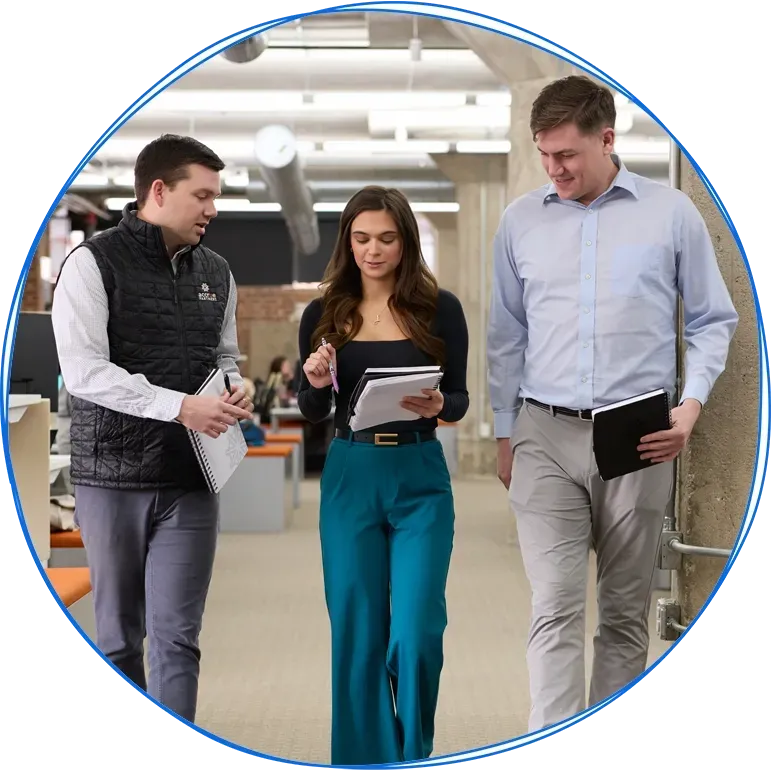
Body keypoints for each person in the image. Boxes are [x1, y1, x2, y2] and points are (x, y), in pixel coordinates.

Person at [487, 75, 739, 731]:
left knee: (624, 609)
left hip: (639, 435)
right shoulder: (519, 220)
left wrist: (689, 408)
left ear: (607, 137)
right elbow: (505, 334)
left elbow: (713, 319)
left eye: (566, 154)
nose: (553, 169)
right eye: (543, 155)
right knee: (554, 602)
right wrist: (501, 430)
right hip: (542, 429)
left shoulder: (671, 213)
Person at [51, 134, 254, 723]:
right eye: (203, 196)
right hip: (112, 480)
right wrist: (179, 407)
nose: (212, 210)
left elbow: (225, 355)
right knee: (116, 639)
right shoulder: (90, 263)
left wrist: (233, 385)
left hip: (191, 478)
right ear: (159, 192)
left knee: (178, 638)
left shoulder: (217, 271)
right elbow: (85, 372)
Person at [297, 186, 469, 765]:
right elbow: (312, 411)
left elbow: (462, 399)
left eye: (388, 239)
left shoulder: (439, 307)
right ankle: (366, 758)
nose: (374, 250)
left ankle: (412, 753)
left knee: (417, 634)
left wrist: (441, 401)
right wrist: (318, 382)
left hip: (420, 474)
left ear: (406, 241)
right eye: (363, 238)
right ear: (348, 240)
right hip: (351, 474)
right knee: (357, 628)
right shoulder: (322, 314)